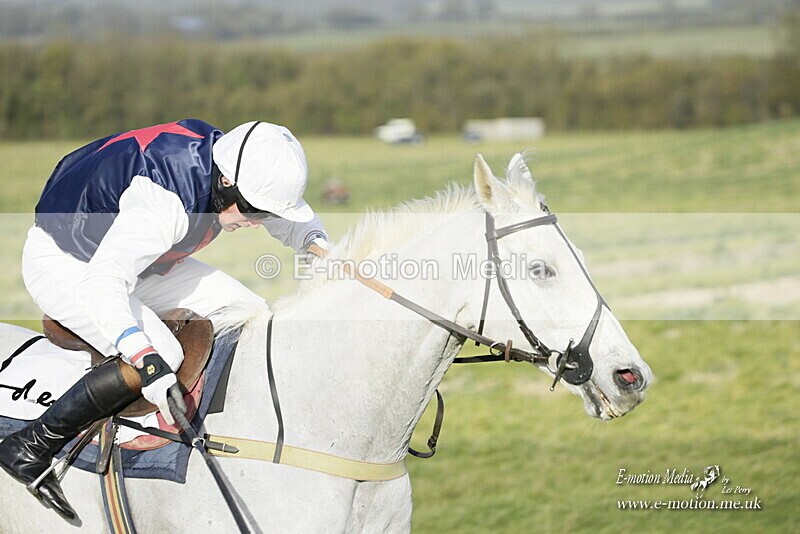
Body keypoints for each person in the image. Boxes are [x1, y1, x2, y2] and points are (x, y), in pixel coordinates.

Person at [0, 119, 330, 520]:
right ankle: (31, 445)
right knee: (163, 354)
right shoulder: (165, 200)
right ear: (225, 181)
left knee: (251, 311)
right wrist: (146, 358)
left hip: (137, 262)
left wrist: (318, 245)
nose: (257, 222)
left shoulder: (226, 165)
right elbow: (103, 284)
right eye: (253, 211)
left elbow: (274, 211)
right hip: (70, 266)